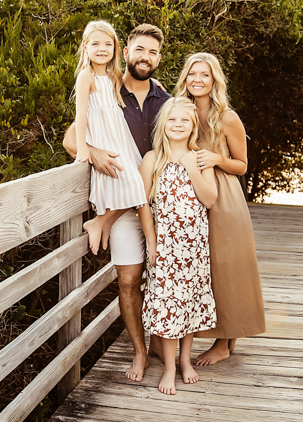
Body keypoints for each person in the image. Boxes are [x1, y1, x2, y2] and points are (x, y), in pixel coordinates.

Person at [63, 23, 171, 382]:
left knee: (165, 276)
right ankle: (140, 353)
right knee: (129, 279)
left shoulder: (164, 99)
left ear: (159, 58)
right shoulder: (106, 86)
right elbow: (71, 137)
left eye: (153, 52)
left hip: (161, 204)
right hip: (120, 192)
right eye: (139, 50)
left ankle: (160, 342)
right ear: (125, 52)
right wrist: (90, 152)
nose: (145, 57)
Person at [174, 52, 266, 365]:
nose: (197, 80)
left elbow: (242, 165)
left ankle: (225, 343)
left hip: (225, 198)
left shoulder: (227, 117)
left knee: (227, 267)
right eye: (192, 74)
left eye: (205, 75)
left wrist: (217, 159)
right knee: (203, 268)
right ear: (185, 78)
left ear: (214, 80)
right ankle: (198, 335)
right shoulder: (179, 112)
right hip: (190, 198)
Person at [139, 98, 218, 395]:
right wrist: (151, 240)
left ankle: (186, 360)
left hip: (195, 246)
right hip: (167, 247)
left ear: (193, 126)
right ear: (163, 125)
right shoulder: (152, 160)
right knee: (168, 305)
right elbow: (142, 204)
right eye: (172, 120)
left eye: (184, 120)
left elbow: (210, 200)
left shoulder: (200, 158)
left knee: (190, 302)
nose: (178, 125)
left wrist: (192, 168)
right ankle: (169, 367)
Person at [73, 21, 150, 254]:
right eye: (95, 44)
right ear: (85, 47)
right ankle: (99, 222)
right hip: (103, 139)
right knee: (133, 183)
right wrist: (83, 148)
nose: (102, 49)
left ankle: (101, 222)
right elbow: (81, 115)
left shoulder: (112, 76)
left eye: (108, 44)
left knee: (139, 184)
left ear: (115, 49)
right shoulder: (86, 76)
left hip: (119, 138)